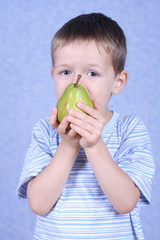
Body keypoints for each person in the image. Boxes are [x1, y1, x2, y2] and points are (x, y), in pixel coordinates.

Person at [17, 13, 155, 240]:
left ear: (117, 82)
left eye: (92, 73)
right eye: (66, 72)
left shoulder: (130, 129)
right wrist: (68, 145)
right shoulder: (45, 131)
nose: (76, 82)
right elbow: (38, 204)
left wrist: (94, 145)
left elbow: (126, 202)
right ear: (53, 76)